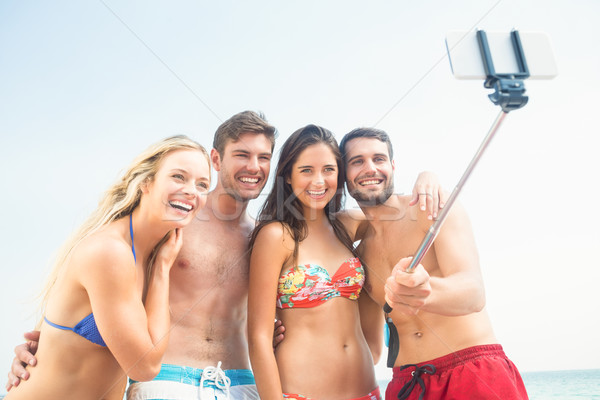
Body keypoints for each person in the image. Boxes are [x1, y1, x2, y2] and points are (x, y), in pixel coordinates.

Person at [3, 135, 212, 400]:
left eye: (202, 184)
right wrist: (161, 270)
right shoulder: (110, 251)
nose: (192, 191)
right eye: (179, 177)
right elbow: (145, 366)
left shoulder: (157, 250)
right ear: (146, 182)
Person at [339, 127, 528, 400]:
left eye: (378, 159)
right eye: (357, 161)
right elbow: (371, 346)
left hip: (471, 371)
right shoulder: (359, 254)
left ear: (392, 166)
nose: (370, 168)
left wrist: (426, 290)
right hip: (407, 384)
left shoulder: (431, 208)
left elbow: (474, 293)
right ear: (345, 174)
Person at [247, 124, 431, 400]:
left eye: (328, 170)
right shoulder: (276, 236)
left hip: (365, 391)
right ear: (287, 176)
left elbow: (401, 211)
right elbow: (259, 338)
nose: (319, 181)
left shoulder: (349, 226)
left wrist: (427, 177)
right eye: (306, 170)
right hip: (300, 393)